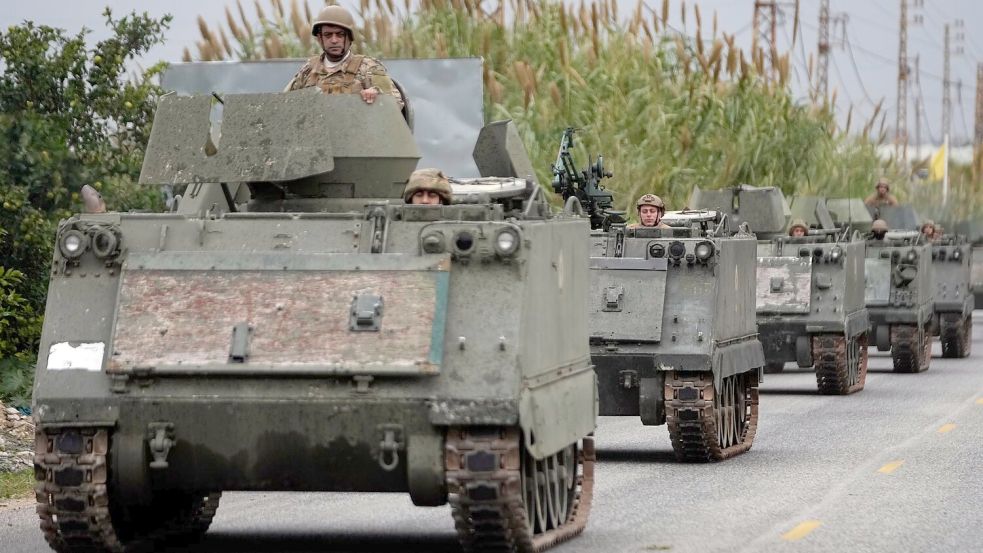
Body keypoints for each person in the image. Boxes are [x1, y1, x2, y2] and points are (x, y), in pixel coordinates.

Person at [284, 5, 403, 106]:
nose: (334, 40)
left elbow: (395, 104)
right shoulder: (309, 69)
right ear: (320, 39)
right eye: (328, 35)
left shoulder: (368, 67)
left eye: (340, 35)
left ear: (350, 38)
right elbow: (285, 102)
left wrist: (377, 94)